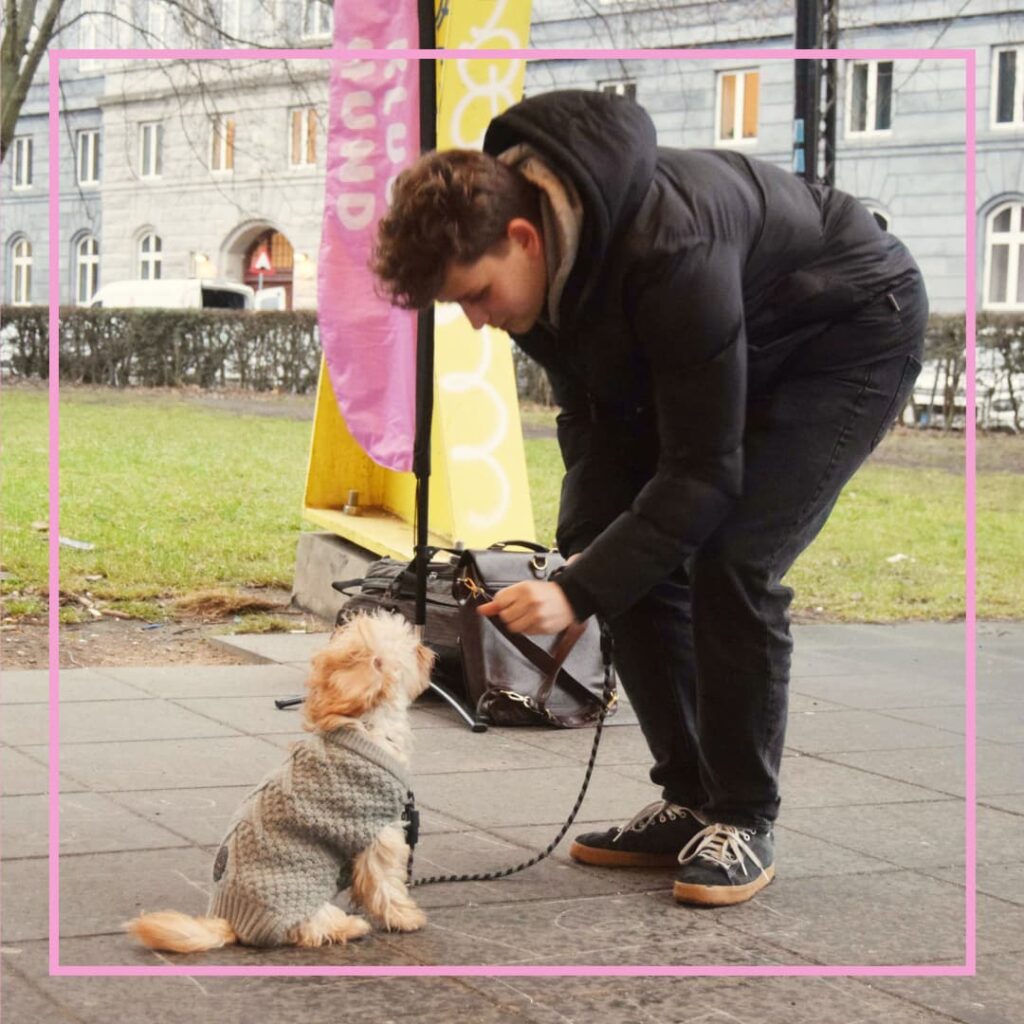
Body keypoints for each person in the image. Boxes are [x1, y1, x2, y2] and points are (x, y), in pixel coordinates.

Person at [371, 89, 927, 906]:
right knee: (608, 541)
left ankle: (742, 815)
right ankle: (691, 796)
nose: (479, 321)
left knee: (736, 557)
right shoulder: (537, 261)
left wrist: (578, 591)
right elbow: (592, 409)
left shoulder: (671, 247)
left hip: (843, 333)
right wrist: (586, 554)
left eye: (476, 295)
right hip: (728, 339)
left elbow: (706, 470)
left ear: (523, 238)